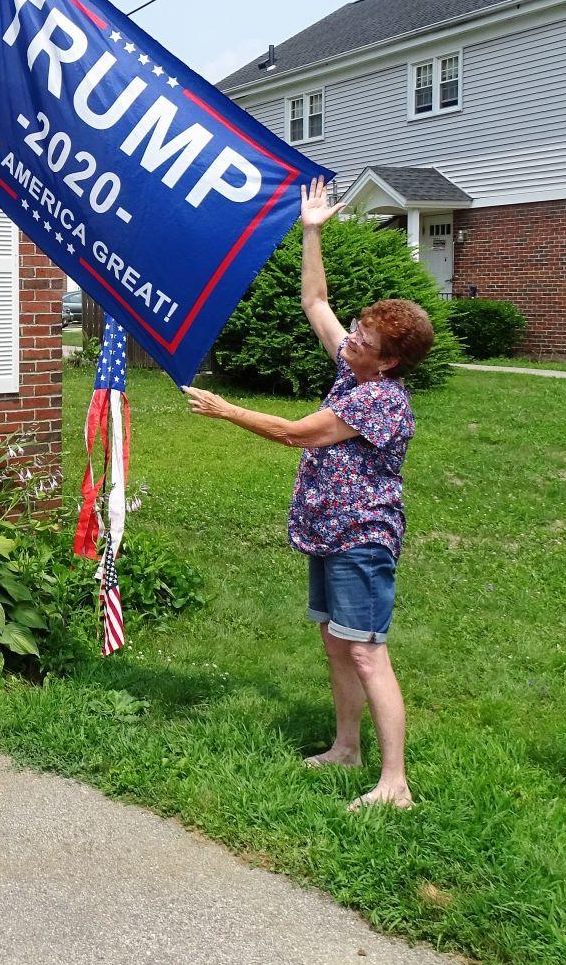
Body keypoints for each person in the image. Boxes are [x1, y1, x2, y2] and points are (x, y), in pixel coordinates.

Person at [183, 179, 433, 810]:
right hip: (328, 531)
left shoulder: (380, 399)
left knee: (367, 652)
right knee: (335, 641)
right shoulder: (355, 366)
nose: (350, 340)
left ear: (389, 362)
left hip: (361, 539)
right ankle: (347, 749)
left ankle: (395, 783)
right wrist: (313, 231)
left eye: (363, 341)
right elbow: (316, 301)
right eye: (356, 332)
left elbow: (296, 433)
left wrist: (224, 409)